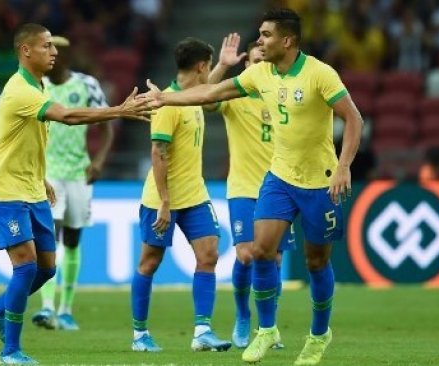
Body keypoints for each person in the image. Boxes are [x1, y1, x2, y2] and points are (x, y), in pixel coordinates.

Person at [140, 9, 363, 365]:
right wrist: (165, 98)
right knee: (259, 251)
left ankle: (319, 334)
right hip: (279, 179)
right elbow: (210, 93)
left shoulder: (320, 74)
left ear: (287, 41)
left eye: (266, 35)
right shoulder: (259, 74)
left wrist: (343, 167)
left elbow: (353, 117)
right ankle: (265, 330)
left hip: (320, 181)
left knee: (316, 262)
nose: (258, 41)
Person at [0, 23, 151, 365]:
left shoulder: (37, 84)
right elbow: (68, 116)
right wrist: (119, 110)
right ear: (26, 51)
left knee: (47, 268)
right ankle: (10, 351)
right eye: (46, 46)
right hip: (4, 190)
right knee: (26, 267)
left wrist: (39, 176)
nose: (54, 51)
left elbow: (18, 140)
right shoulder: (20, 91)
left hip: (31, 187)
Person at [130, 37, 232, 353]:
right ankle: (139, 335)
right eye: (211, 65)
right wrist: (163, 201)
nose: (211, 71)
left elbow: (208, 90)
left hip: (194, 196)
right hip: (163, 199)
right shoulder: (167, 104)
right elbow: (157, 153)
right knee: (149, 262)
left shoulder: (188, 97)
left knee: (209, 255)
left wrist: (226, 65)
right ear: (201, 65)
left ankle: (202, 331)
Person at [206, 34, 294, 349]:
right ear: (246, 64)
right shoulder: (236, 96)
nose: (261, 68)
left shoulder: (282, 96)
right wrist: (221, 66)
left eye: (265, 62)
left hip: (281, 189)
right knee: (246, 255)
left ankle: (268, 327)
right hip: (244, 188)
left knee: (275, 260)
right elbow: (204, 97)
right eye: (256, 61)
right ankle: (243, 317)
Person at [31, 35, 115, 331]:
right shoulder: (37, 86)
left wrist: (99, 161)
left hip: (79, 173)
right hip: (49, 173)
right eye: (48, 50)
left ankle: (66, 309)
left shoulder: (87, 85)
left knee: (73, 240)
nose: (51, 56)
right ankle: (46, 308)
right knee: (49, 237)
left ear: (66, 56)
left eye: (55, 52)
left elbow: (107, 126)